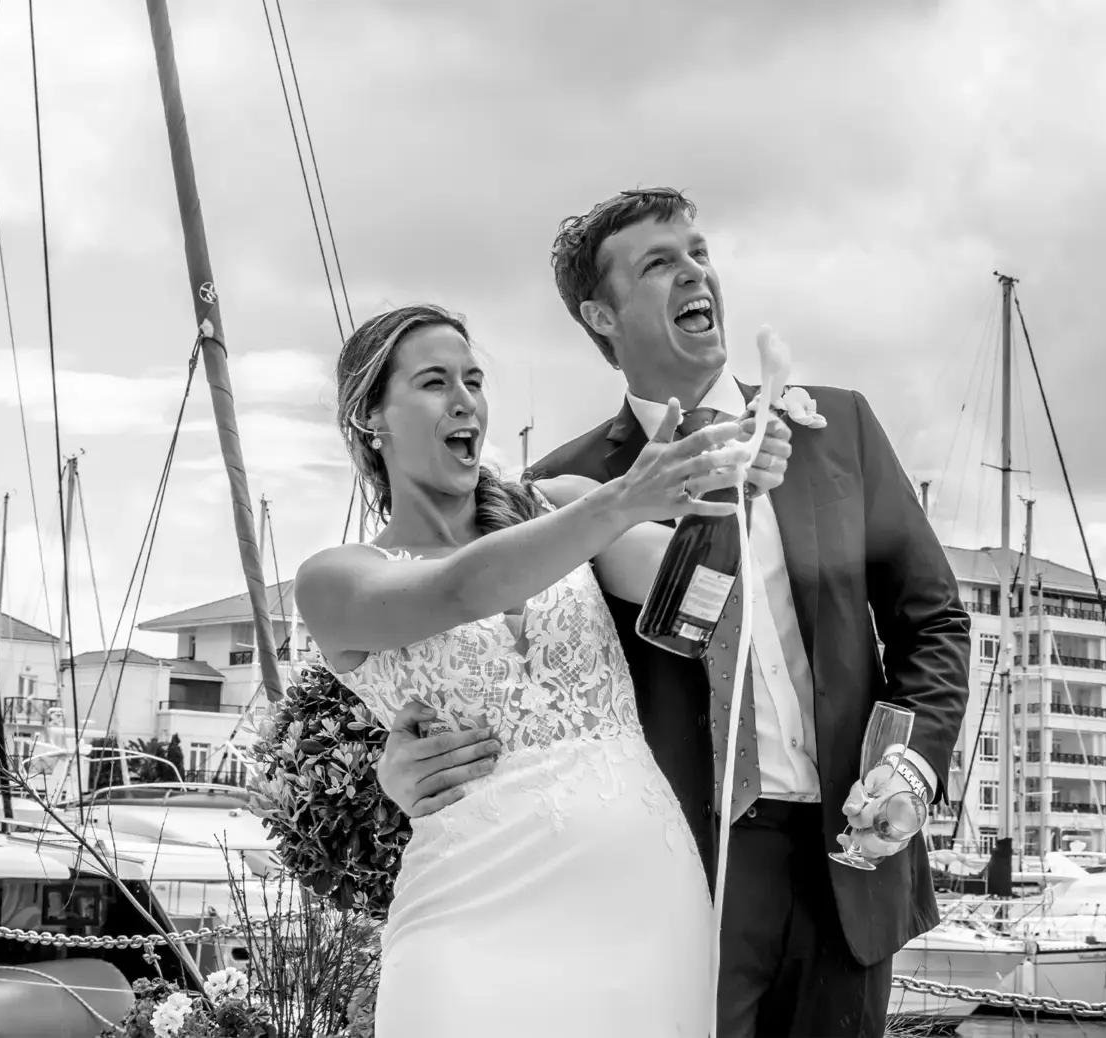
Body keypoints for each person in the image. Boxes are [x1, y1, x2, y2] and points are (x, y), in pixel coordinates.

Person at [380, 188, 972, 1037]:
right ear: (601, 315)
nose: (695, 273)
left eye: (699, 253)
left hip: (851, 860)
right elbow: (472, 641)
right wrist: (391, 769)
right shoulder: (560, 489)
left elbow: (934, 622)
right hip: (676, 877)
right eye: (659, 263)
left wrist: (910, 769)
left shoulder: (837, 426)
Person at [294, 302, 793, 1037]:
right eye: (434, 382)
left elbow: (701, 595)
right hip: (468, 907)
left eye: (473, 379)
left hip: (644, 895)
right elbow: (462, 589)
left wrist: (736, 482)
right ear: (370, 419)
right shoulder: (334, 579)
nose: (465, 400)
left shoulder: (560, 505)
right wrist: (623, 499)